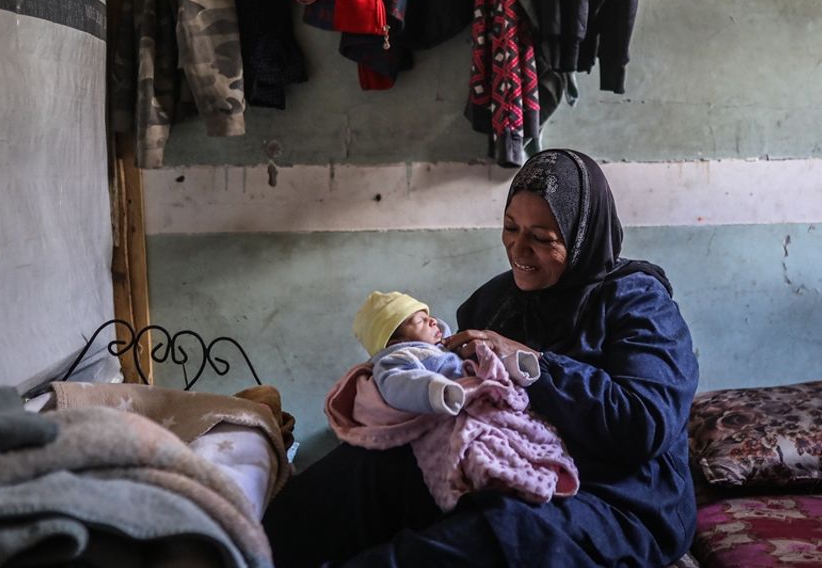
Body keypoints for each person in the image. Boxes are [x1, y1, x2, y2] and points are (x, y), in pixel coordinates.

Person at [262, 148, 699, 567]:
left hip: (619, 498)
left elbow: (644, 423)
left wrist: (535, 364)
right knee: (364, 473)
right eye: (511, 228)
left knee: (500, 533)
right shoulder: (494, 302)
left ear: (584, 235)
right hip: (500, 464)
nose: (518, 250)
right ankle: (245, 551)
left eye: (542, 238)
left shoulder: (638, 302)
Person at [351, 290, 540, 416]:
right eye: (420, 321)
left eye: (429, 316)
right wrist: (437, 391)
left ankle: (520, 369)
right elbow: (398, 385)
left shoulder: (448, 347)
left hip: (489, 393)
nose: (432, 321)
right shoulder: (399, 358)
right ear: (397, 342)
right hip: (454, 404)